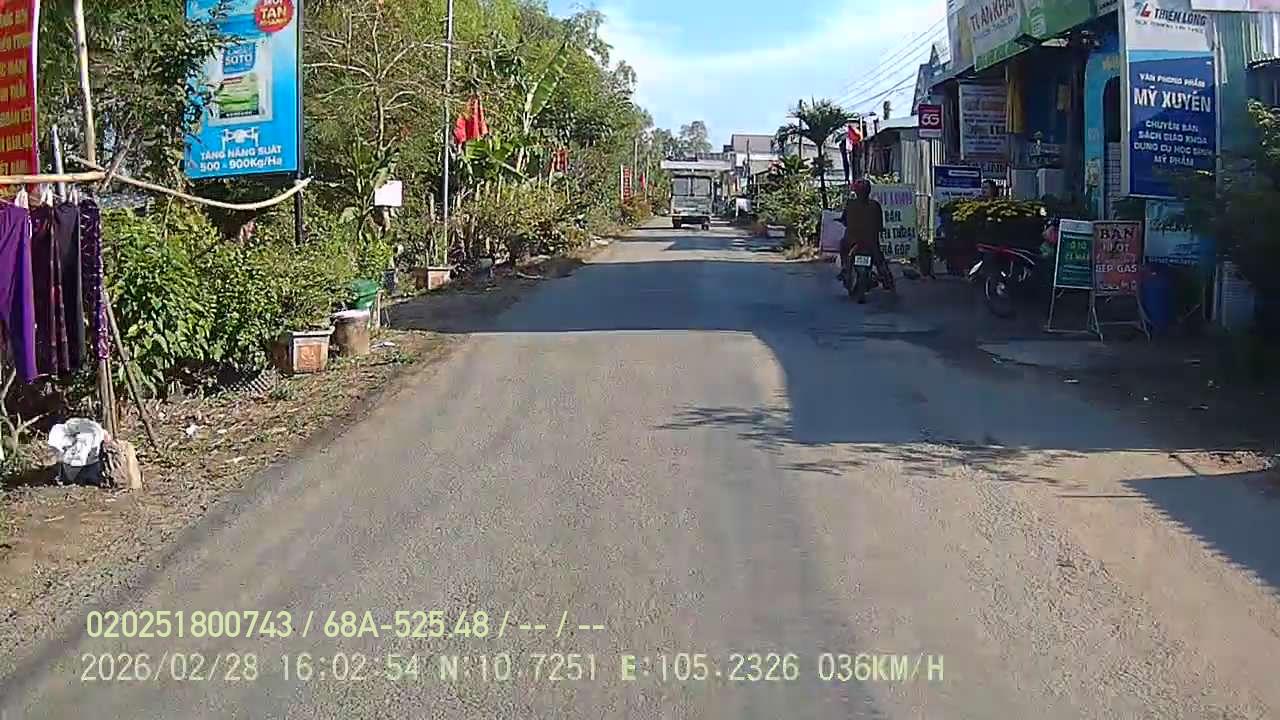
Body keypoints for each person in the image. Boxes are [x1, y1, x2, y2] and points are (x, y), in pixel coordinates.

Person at [838, 178, 895, 296]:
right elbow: (880, 224)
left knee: (843, 246)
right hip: (870, 242)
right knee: (880, 261)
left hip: (853, 241)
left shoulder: (851, 204)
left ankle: (844, 268)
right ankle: (887, 280)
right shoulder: (875, 205)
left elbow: (844, 219)